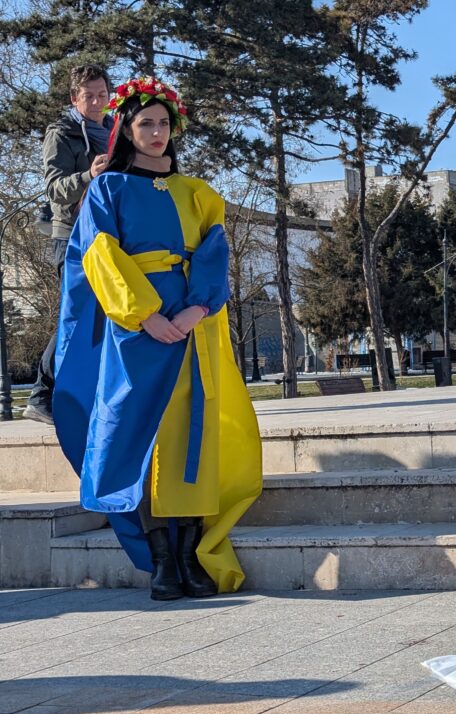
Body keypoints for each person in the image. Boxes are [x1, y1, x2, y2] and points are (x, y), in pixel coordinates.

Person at [52, 75, 262, 600]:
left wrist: (194, 310)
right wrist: (145, 316)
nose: (156, 132)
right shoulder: (107, 188)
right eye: (145, 123)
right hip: (136, 331)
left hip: (192, 330)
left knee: (189, 436)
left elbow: (215, 253)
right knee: (138, 434)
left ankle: (190, 554)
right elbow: (99, 255)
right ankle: (161, 559)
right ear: (126, 129)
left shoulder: (199, 194)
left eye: (164, 123)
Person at [24, 65, 114, 425]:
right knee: (76, 318)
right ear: (74, 99)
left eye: (102, 94)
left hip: (110, 236)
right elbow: (55, 189)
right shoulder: (60, 134)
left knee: (106, 317)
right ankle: (41, 395)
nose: (96, 102)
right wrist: (89, 174)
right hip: (72, 237)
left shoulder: (115, 131)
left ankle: (92, 395)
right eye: (88, 96)